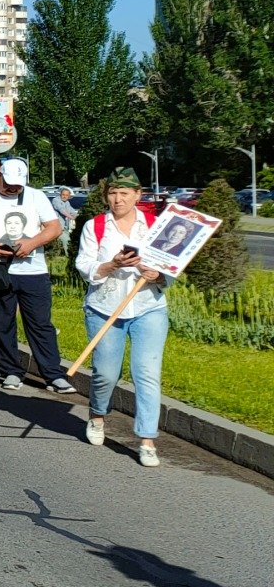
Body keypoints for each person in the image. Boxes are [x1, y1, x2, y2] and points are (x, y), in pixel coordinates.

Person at [76, 167, 170, 466]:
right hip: (105, 307)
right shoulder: (96, 226)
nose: (118, 200)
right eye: (113, 193)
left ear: (138, 195)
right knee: (105, 374)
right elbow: (85, 266)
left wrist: (156, 275)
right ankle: (97, 416)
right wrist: (112, 264)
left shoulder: (155, 225)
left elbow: (170, 269)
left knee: (147, 373)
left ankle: (147, 440)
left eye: (124, 194)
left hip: (148, 308)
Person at [0, 157, 74, 393]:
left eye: (18, 185)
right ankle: (10, 371)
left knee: (40, 323)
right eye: (9, 184)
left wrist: (31, 243)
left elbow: (54, 227)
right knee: (2, 322)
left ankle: (53, 374)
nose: (13, 189)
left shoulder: (36, 196)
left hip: (33, 269)